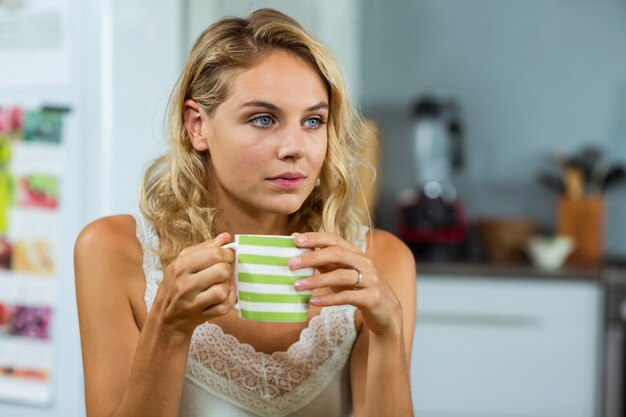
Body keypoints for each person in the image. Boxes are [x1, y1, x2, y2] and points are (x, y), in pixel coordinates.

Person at [74, 8, 416, 417]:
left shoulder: (380, 261)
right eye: (263, 118)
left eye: (313, 121)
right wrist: (168, 329)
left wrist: (387, 331)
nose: (296, 148)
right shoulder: (113, 252)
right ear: (197, 125)